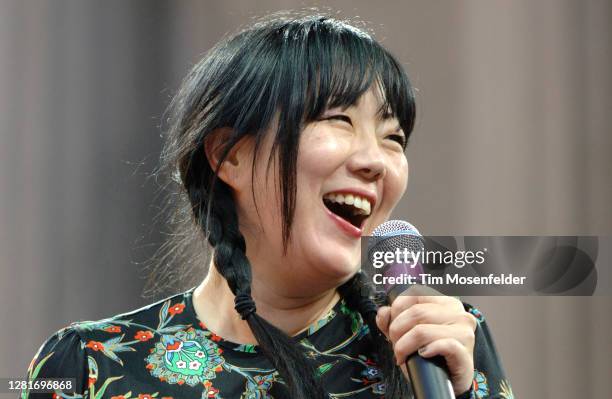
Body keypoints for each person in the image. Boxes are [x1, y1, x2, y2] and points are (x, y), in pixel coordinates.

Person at [23, 11, 513, 399]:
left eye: (393, 137)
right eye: (339, 120)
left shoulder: (437, 347)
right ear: (229, 155)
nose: (376, 162)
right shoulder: (91, 363)